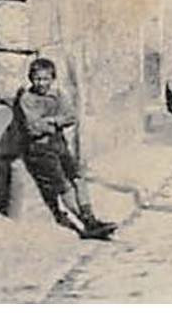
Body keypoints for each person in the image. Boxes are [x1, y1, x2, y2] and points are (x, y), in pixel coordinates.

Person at [15, 58, 116, 239]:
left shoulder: (58, 95)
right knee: (64, 187)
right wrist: (54, 122)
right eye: (37, 79)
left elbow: (70, 116)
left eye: (46, 79)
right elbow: (33, 127)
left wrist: (52, 121)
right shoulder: (27, 99)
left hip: (58, 144)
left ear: (52, 79)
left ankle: (90, 217)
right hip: (40, 149)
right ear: (31, 79)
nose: (41, 83)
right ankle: (85, 225)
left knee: (78, 177)